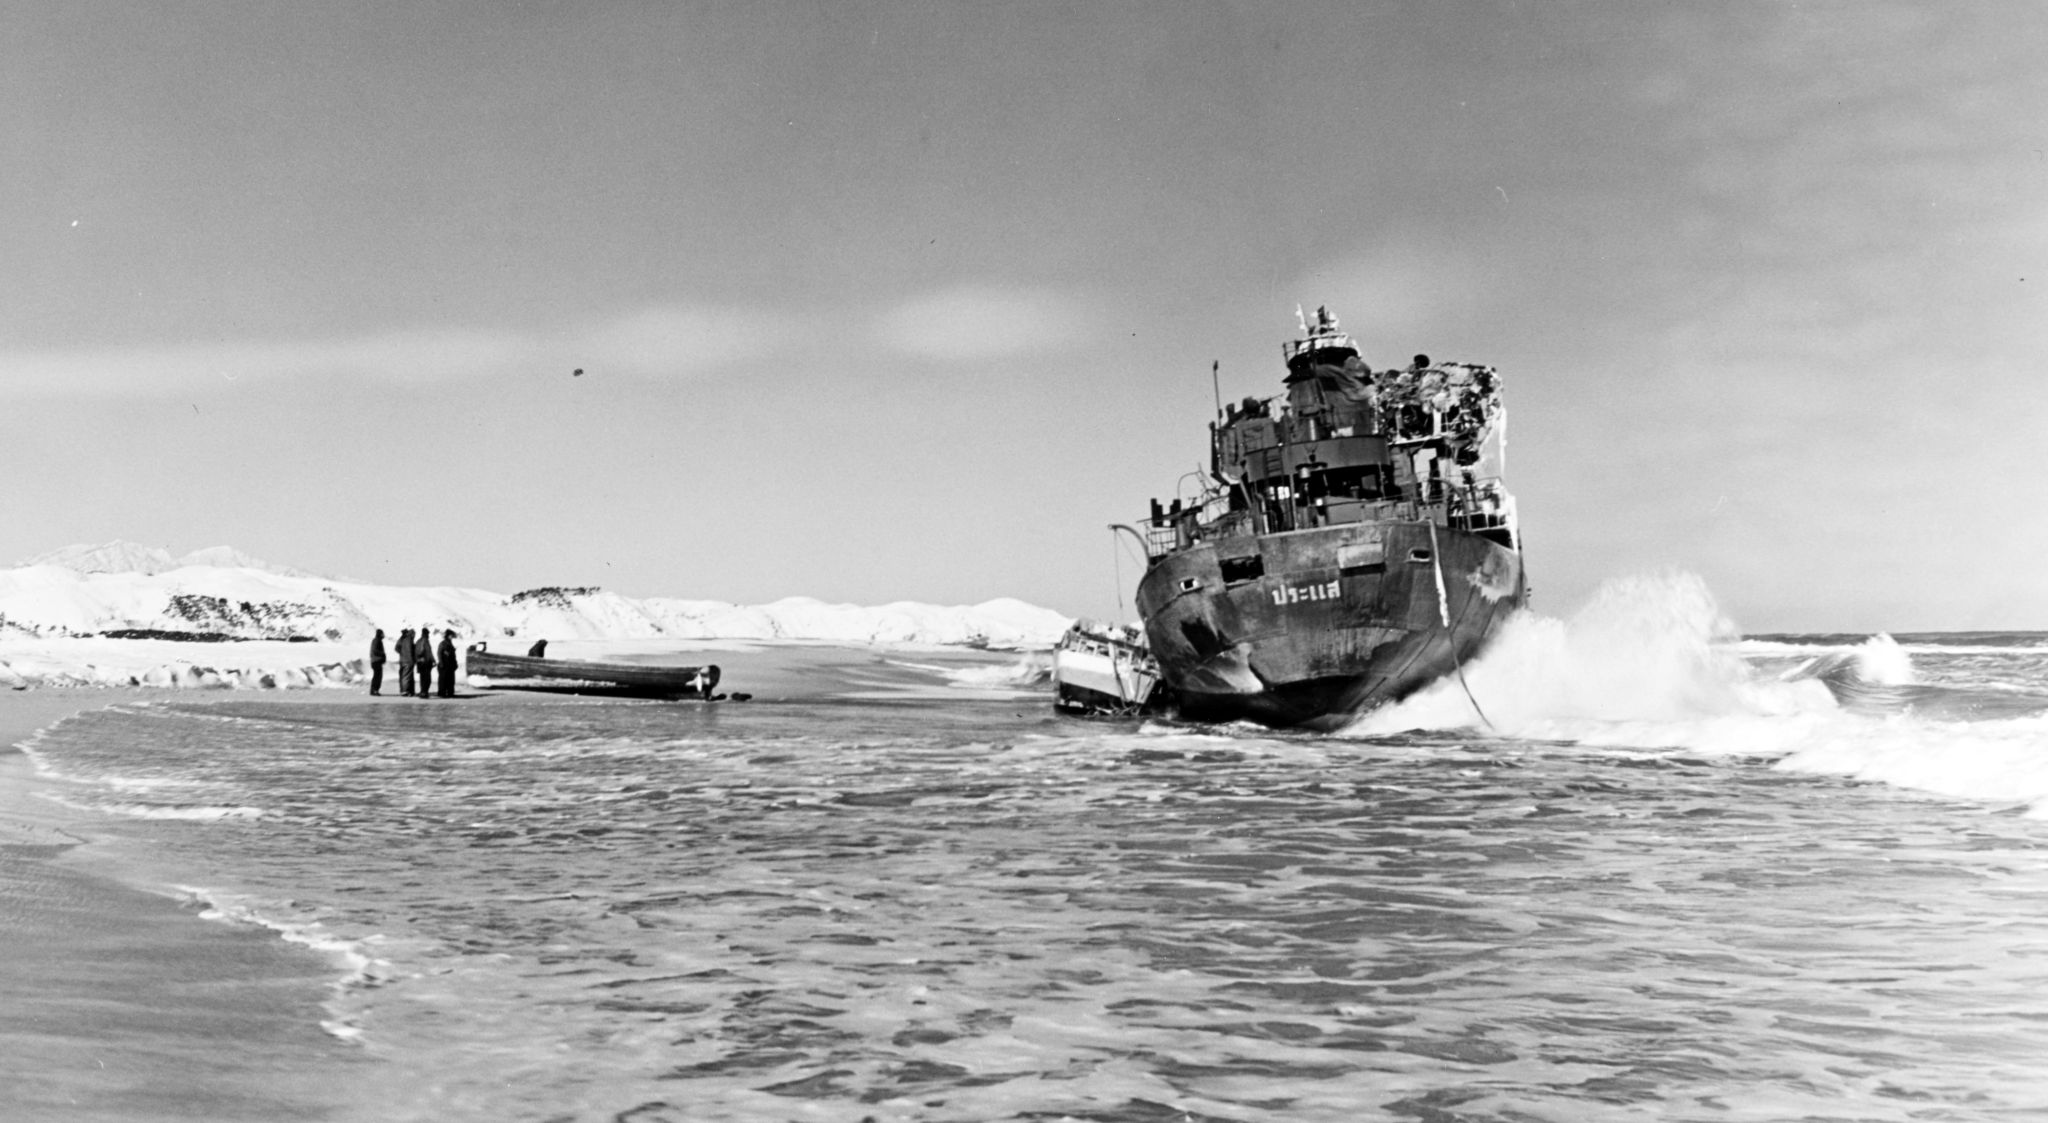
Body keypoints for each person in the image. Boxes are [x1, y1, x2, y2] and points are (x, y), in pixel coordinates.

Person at [415, 624, 436, 698]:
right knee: (427, 679)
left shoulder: (418, 641)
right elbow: (428, 652)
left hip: (420, 662)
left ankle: (423, 691)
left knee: (423, 678)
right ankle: (424, 692)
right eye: (428, 633)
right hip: (425, 662)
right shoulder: (425, 641)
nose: (428, 635)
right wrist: (433, 660)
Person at [436, 629, 458, 698]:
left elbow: (452, 655)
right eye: (451, 635)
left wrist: (455, 663)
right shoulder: (443, 643)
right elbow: (439, 653)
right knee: (443, 680)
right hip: (444, 664)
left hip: (450, 665)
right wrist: (441, 663)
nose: (452, 637)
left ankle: (450, 692)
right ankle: (442, 693)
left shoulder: (449, 643)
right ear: (448, 636)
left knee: (450, 680)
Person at [395, 628, 416, 696]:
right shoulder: (408, 640)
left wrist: (402, 653)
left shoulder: (402, 639)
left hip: (402, 660)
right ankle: (405, 691)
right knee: (407, 676)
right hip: (408, 661)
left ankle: (406, 690)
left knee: (404, 676)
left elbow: (396, 648)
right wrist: (411, 659)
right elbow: (409, 651)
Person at [368, 629, 387, 696]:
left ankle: (374, 690)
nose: (383, 635)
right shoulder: (377, 640)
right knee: (377, 676)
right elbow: (375, 650)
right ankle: (374, 690)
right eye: (382, 634)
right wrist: (382, 654)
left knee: (377, 676)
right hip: (376, 661)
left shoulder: (377, 640)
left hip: (376, 661)